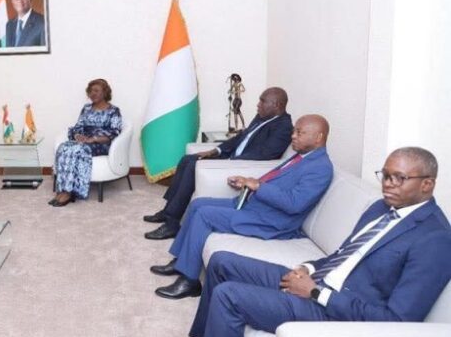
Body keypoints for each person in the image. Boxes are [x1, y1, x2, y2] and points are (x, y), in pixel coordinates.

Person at [189, 147, 451, 337]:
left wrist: (316, 293)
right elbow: (343, 255)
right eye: (385, 175)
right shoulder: (381, 208)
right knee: (221, 261)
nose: (388, 185)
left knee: (229, 295)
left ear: (427, 184)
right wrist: (307, 268)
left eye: (399, 178)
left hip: (335, 311)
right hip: (317, 281)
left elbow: (397, 320)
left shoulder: (435, 238)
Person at [151, 115, 333, 299]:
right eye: (294, 131)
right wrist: (247, 182)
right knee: (198, 204)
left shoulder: (320, 167)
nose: (293, 136)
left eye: (300, 133)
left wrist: (258, 186)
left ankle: (189, 281)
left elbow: (295, 203)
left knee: (204, 215)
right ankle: (181, 262)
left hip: (271, 220)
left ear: (319, 137)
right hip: (254, 204)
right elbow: (277, 182)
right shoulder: (302, 156)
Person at [144, 87, 293, 240]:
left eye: (262, 101)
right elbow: (240, 138)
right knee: (187, 159)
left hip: (241, 166)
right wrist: (215, 151)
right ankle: (167, 211)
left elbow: (264, 154)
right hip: (230, 157)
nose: (258, 104)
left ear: (276, 105)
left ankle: (172, 224)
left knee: (193, 167)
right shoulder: (262, 116)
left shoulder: (284, 127)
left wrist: (229, 162)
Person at [50, 79, 122, 207]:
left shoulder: (113, 111)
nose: (92, 94)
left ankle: (69, 192)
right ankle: (63, 189)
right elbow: (78, 126)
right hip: (84, 141)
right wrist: (78, 135)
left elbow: (114, 131)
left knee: (76, 150)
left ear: (105, 92)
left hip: (101, 143)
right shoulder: (86, 108)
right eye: (90, 91)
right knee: (63, 147)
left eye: (96, 90)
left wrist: (93, 139)